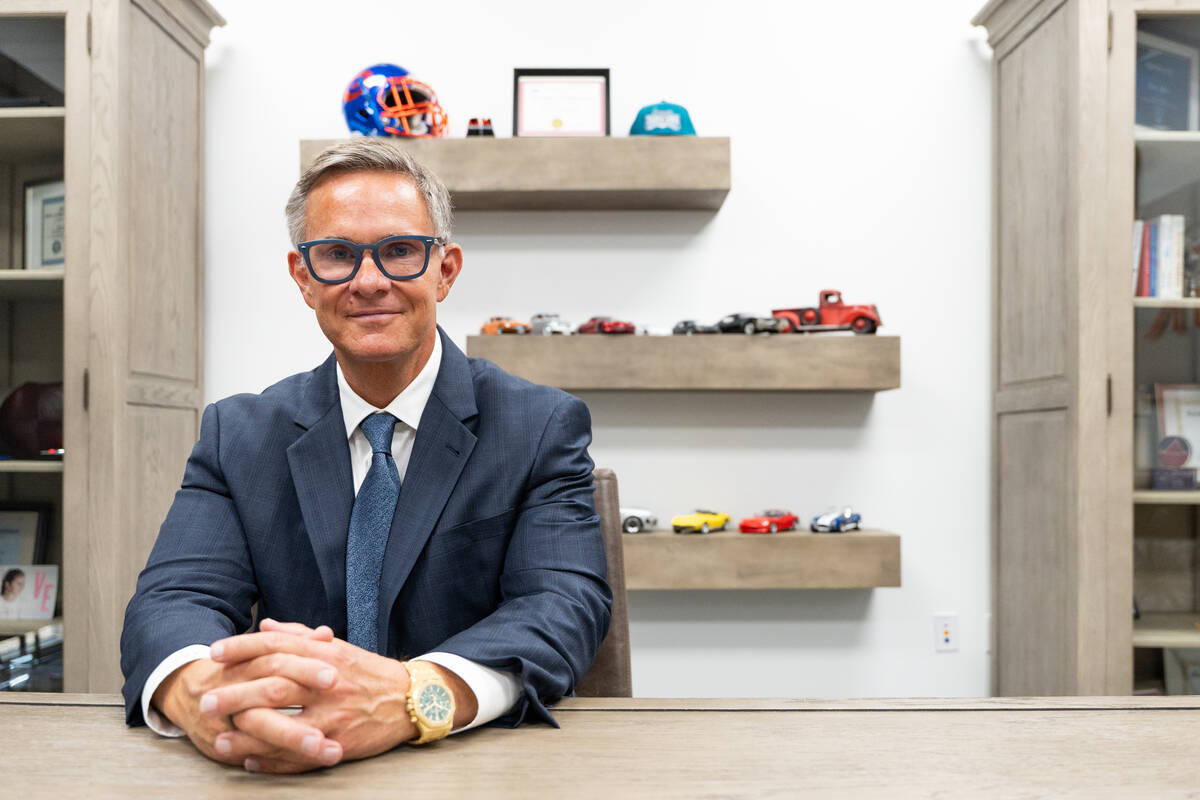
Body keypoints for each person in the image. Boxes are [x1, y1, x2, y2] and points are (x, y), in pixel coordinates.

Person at [119, 139, 612, 774]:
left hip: (481, 767)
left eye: (401, 251)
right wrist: (202, 697)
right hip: (286, 767)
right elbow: (173, 599)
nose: (369, 281)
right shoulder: (238, 435)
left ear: (446, 270)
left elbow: (562, 604)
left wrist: (412, 698)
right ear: (303, 276)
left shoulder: (539, 425)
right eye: (337, 255)